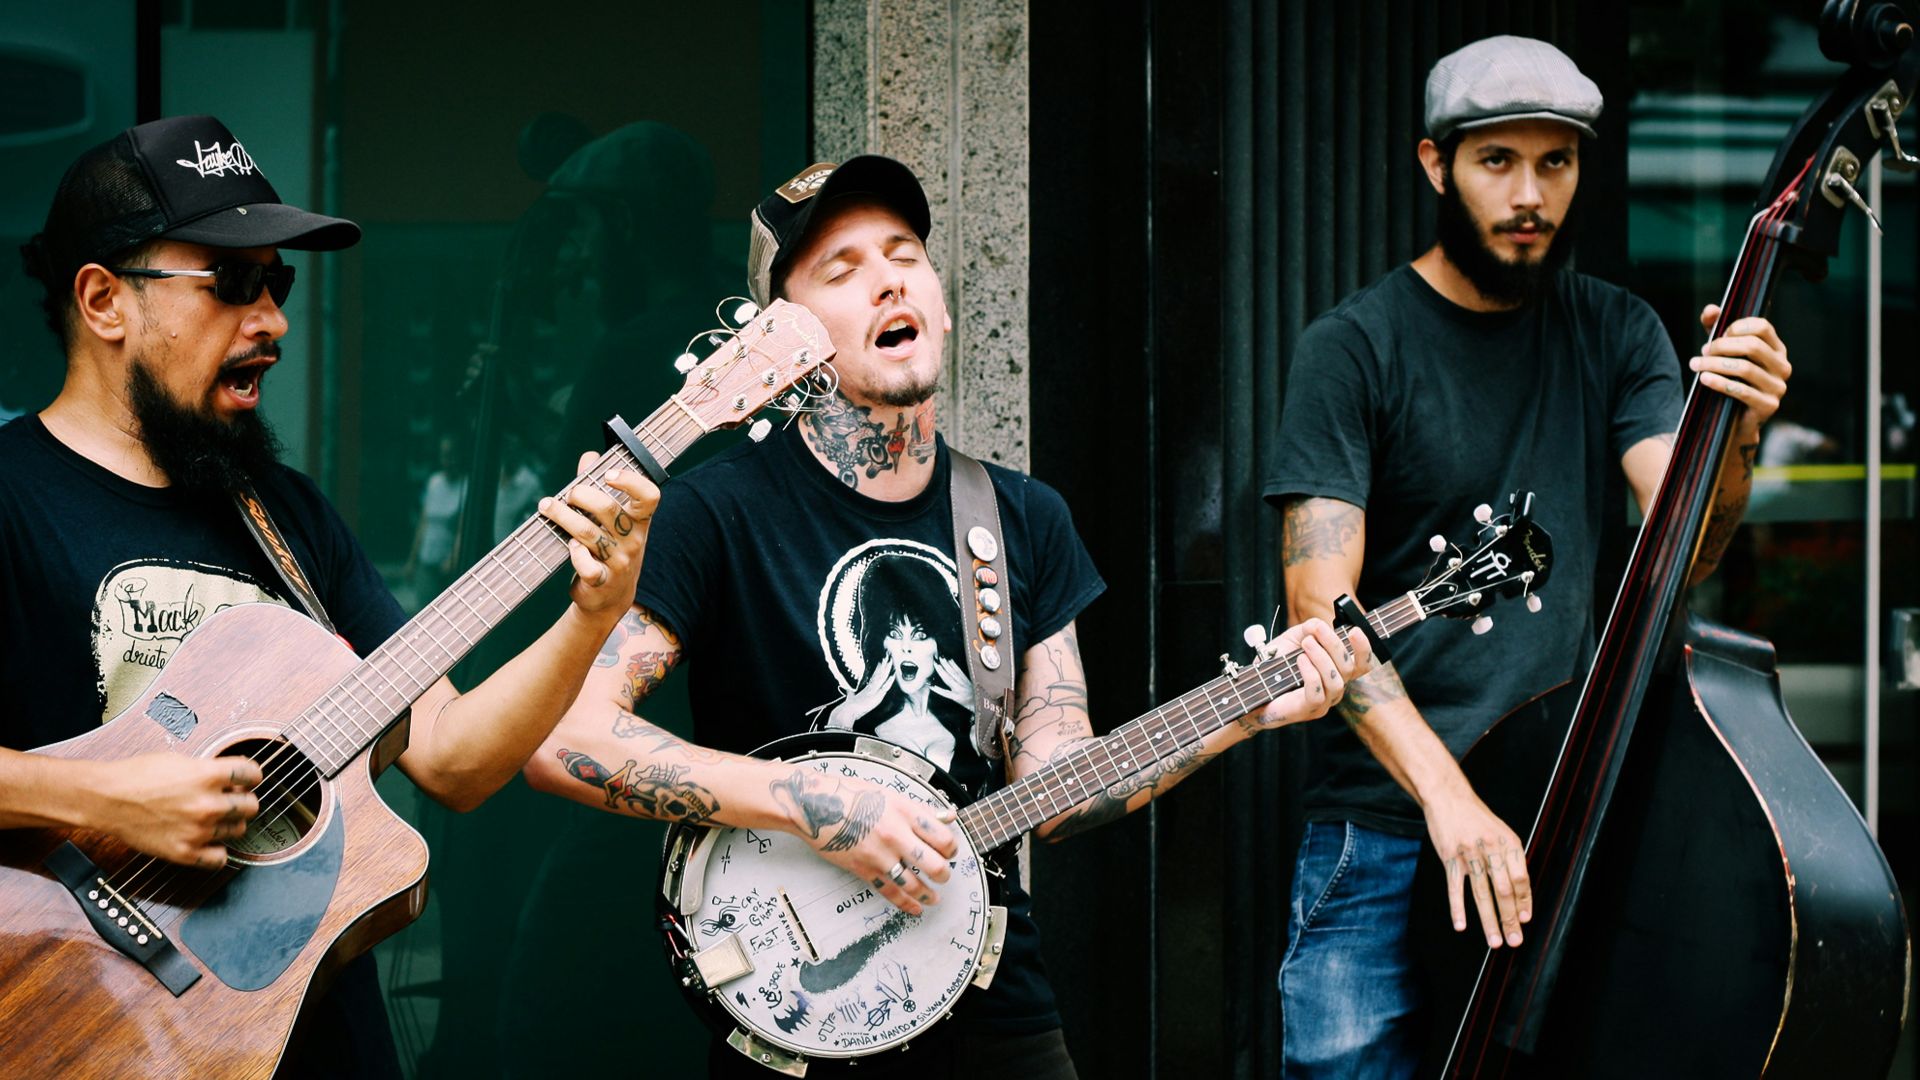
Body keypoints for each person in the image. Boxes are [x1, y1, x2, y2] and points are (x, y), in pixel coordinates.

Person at [521, 156, 1370, 1077]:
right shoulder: (714, 514)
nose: (888, 277)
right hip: (793, 1003)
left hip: (992, 1002)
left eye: (906, 255)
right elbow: (566, 736)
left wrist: (1245, 711)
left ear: (940, 303)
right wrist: (810, 805)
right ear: (779, 342)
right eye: (841, 270)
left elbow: (1061, 783)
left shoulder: (1021, 518)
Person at [0, 115, 656, 1077]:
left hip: (306, 1040)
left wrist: (592, 613)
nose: (272, 320)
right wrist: (113, 798)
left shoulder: (286, 518)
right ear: (104, 301)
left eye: (280, 282)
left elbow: (452, 757)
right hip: (86, 1020)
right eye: (232, 284)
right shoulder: (10, 497)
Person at [1264, 37, 1794, 1077]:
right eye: (1497, 161)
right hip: (1385, 826)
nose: (1529, 193)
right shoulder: (1355, 347)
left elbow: (1683, 547)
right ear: (1435, 164)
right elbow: (1320, 620)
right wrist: (1448, 799)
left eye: (1555, 163)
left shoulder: (1616, 331)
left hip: (1559, 809)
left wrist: (1738, 430)